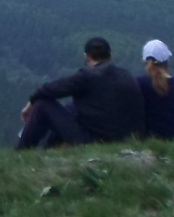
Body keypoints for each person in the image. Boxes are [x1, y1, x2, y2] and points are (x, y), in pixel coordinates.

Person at [15, 37, 146, 150]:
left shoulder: (87, 76)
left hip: (96, 142)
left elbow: (49, 89)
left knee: (42, 105)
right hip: (126, 140)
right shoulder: (127, 75)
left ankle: (22, 152)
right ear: (111, 56)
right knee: (71, 107)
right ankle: (49, 150)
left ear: (87, 56)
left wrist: (30, 104)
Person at [137, 39, 174, 141]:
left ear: (145, 61)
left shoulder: (139, 84)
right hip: (171, 141)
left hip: (144, 140)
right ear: (167, 61)